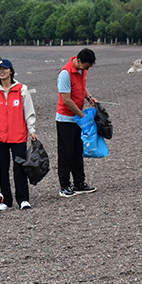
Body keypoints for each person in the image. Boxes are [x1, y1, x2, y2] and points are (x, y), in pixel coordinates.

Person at [0, 59, 37, 211]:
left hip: (18, 135)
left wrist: (31, 129)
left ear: (11, 71)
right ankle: (5, 200)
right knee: (2, 169)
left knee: (19, 168)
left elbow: (29, 111)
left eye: (5, 69)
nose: (2, 71)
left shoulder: (21, 90)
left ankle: (23, 199)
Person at [55, 48, 98, 196]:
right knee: (65, 153)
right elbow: (66, 100)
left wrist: (90, 98)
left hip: (77, 118)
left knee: (78, 151)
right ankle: (64, 186)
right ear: (79, 61)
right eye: (86, 66)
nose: (87, 69)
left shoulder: (82, 70)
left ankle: (79, 183)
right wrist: (83, 116)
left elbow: (82, 87)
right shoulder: (65, 73)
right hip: (65, 119)